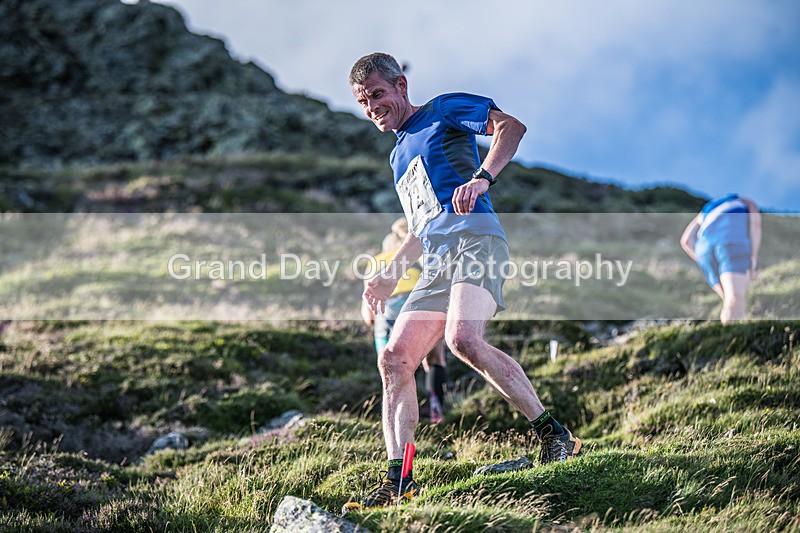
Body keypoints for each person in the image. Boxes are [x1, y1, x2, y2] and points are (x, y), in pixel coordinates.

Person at [343, 52, 581, 512]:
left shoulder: (445, 109)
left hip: (477, 241)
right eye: (363, 101)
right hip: (436, 260)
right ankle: (400, 481)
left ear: (400, 86)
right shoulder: (397, 158)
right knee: (394, 359)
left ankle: (555, 436)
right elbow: (422, 224)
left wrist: (483, 177)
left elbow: (511, 127)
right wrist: (389, 273)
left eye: (377, 94)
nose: (372, 106)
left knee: (462, 339)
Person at [361, 217, 448, 424]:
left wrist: (377, 323)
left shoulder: (375, 262)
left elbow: (368, 314)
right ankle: (436, 410)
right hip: (419, 307)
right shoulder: (420, 256)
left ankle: (399, 421)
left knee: (392, 370)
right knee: (434, 359)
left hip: (385, 316)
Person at [680, 193, 762, 323]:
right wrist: (753, 258)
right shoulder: (745, 203)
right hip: (731, 243)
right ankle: (736, 339)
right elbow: (755, 225)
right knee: (735, 297)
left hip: (703, 251)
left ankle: (731, 334)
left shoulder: (707, 209)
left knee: (728, 301)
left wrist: (702, 261)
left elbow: (685, 241)